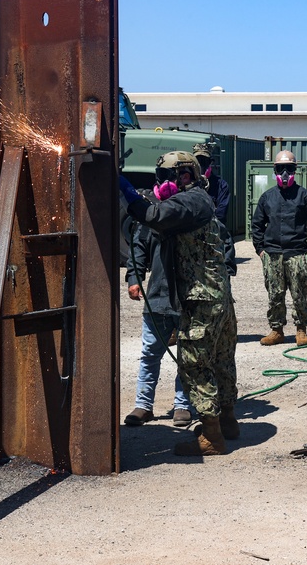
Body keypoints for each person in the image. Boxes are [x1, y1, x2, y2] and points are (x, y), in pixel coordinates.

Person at [119, 151, 239, 456]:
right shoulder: (195, 201)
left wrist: (124, 188)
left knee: (195, 363)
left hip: (202, 298)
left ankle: (212, 437)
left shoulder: (192, 200)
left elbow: (152, 217)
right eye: (164, 177)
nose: (170, 182)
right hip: (215, 295)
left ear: (192, 176)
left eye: (178, 176)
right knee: (221, 360)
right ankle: (227, 421)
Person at [123, 195, 194, 428]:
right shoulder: (150, 219)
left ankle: (182, 405)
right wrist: (134, 278)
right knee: (150, 354)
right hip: (157, 300)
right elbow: (138, 248)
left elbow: (222, 249)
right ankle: (143, 406)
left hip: (190, 301)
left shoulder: (195, 212)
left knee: (187, 357)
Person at [251, 150, 307, 347]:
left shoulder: (305, 197)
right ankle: (277, 330)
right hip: (272, 254)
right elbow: (257, 225)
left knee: (299, 294)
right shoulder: (267, 198)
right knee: (275, 294)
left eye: (288, 169)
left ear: (295, 170)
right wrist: (260, 250)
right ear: (275, 170)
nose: (284, 173)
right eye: (280, 169)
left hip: (298, 254)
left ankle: (301, 330)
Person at [193, 142, 230, 223]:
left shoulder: (221, 185)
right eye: (198, 161)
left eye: (205, 161)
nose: (201, 165)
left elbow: (221, 214)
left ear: (211, 162)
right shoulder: (188, 184)